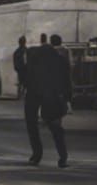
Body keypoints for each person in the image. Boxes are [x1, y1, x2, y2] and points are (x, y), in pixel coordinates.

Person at [24, 34, 71, 168]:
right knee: (56, 127)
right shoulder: (60, 60)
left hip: (33, 94)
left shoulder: (34, 59)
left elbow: (26, 76)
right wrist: (68, 99)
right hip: (52, 96)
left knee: (32, 124)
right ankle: (63, 157)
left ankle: (36, 154)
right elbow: (67, 81)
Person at [13, 36, 29, 102]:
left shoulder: (17, 51)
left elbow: (15, 61)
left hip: (20, 69)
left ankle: (19, 95)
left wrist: (17, 68)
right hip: (25, 69)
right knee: (25, 83)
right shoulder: (27, 50)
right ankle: (23, 95)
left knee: (20, 82)